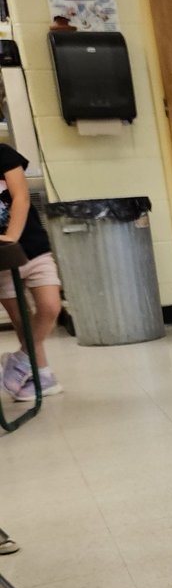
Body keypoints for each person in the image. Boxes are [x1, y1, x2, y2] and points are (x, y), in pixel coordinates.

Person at [0, 143, 63, 401]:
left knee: (50, 307)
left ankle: (20, 359)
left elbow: (21, 197)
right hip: (1, 263)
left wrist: (11, 238)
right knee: (22, 320)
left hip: (32, 248)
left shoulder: (3, 154)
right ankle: (43, 375)